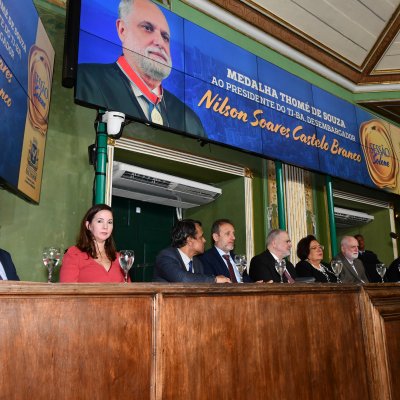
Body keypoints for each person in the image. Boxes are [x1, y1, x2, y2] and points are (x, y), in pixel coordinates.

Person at [76, 0, 206, 137]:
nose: (160, 42)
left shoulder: (189, 119)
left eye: (165, 37)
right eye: (148, 28)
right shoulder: (85, 81)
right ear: (122, 30)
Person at [60, 204, 127, 283]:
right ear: (88, 225)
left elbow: (129, 291)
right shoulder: (74, 254)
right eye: (100, 221)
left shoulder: (119, 258)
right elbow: (67, 291)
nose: (105, 226)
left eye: (109, 222)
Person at [153, 219, 231, 283]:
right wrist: (215, 279)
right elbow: (183, 279)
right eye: (201, 237)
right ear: (189, 240)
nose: (204, 240)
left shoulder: (197, 263)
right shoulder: (165, 257)